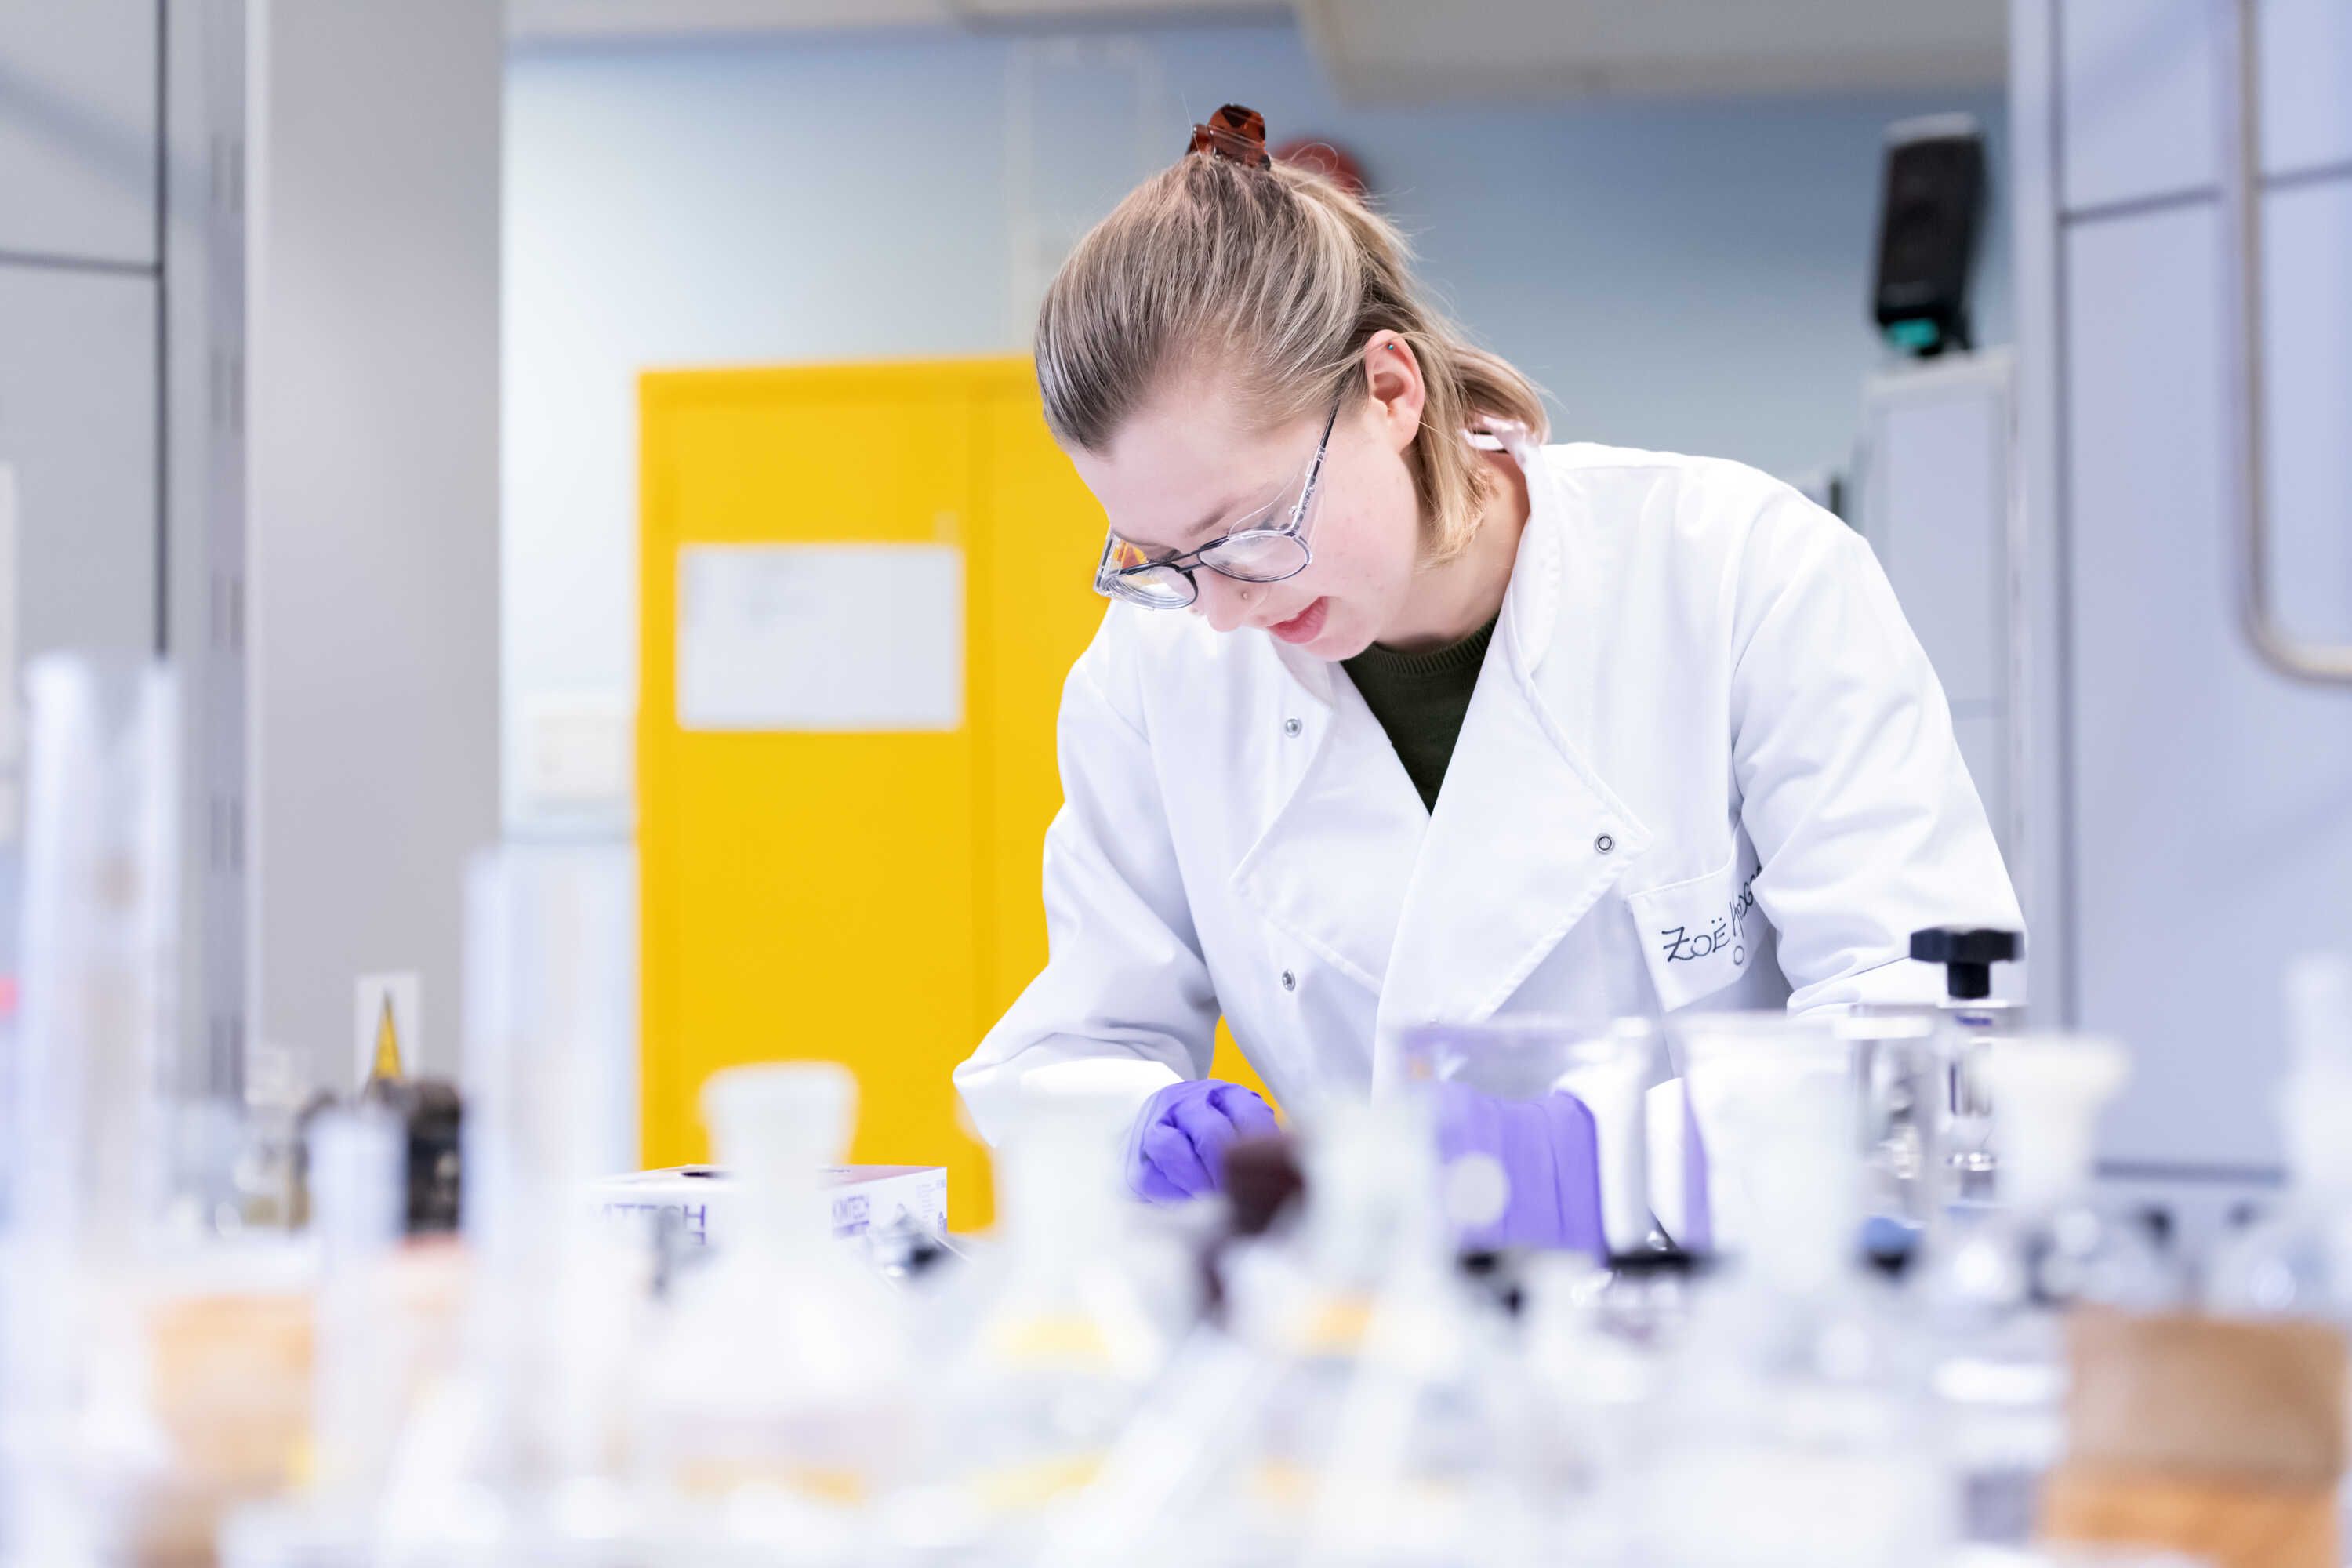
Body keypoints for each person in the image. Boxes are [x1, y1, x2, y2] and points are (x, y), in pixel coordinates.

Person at [953, 104, 2020, 1248]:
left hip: (1729, 1341)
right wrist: (1129, 1127)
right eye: (1165, 561)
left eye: (1254, 528)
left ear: (1393, 391)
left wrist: (1605, 1168)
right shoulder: (1157, 675)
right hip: (1377, 1343)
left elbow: (1940, 1065)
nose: (1225, 607)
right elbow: (1075, 1046)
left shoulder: (1739, 569)